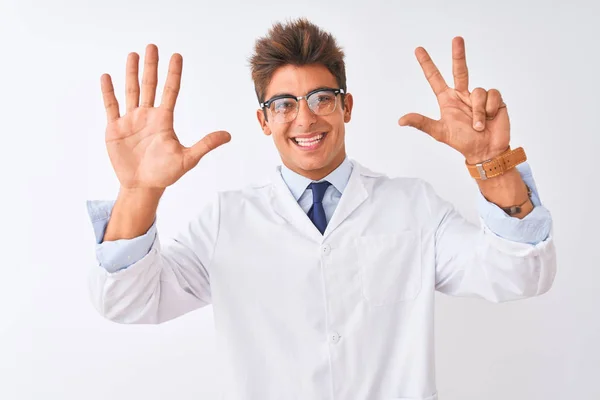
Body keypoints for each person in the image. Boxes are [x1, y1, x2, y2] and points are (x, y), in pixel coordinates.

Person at [86, 18, 556, 400]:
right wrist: (139, 190)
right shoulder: (224, 222)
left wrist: (490, 164)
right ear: (263, 120)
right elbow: (127, 303)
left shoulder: (414, 207)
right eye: (284, 104)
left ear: (346, 106)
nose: (305, 118)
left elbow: (520, 274)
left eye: (321, 98)